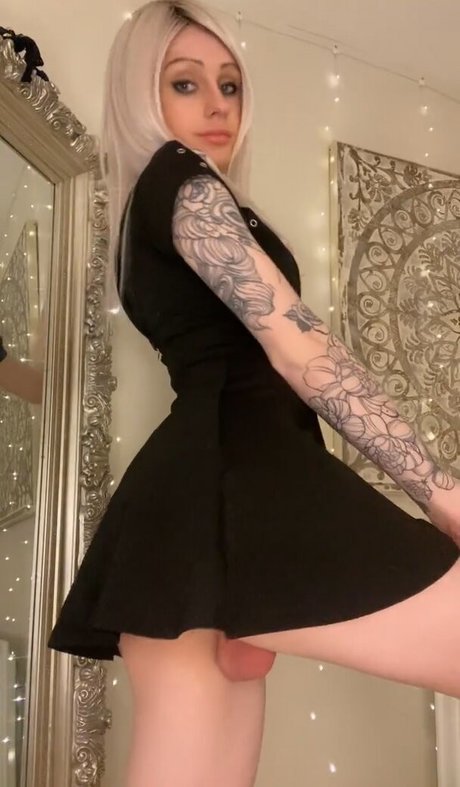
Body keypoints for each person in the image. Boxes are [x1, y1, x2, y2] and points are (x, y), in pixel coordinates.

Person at [47, 1, 460, 785]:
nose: (216, 106)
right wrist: (445, 494)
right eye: (185, 83)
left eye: (230, 85)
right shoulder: (182, 180)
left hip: (193, 510)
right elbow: (299, 347)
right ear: (141, 93)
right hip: (239, 477)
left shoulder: (155, 207)